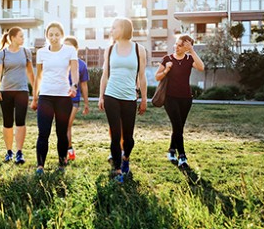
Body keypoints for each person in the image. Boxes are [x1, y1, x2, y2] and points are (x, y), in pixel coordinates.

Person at [99, 18, 148, 183]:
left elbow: (142, 76)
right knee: (115, 135)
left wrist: (144, 99)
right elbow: (105, 74)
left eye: (114, 27)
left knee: (128, 137)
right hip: (111, 95)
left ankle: (125, 157)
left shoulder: (138, 49)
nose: (111, 30)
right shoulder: (110, 49)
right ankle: (118, 170)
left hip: (129, 97)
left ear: (124, 29)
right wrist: (101, 96)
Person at [31, 22, 79, 175]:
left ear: (62, 35)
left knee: (61, 132)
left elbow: (75, 71)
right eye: (50, 34)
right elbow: (38, 77)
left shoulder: (70, 51)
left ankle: (62, 161)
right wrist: (34, 97)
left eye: (57, 34)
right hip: (45, 96)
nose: (54, 37)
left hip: (63, 97)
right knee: (43, 132)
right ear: (47, 36)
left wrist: (74, 86)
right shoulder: (41, 53)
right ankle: (40, 166)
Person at [156, 34, 205, 168]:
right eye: (176, 44)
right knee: (177, 126)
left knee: (179, 127)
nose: (176, 47)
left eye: (180, 45)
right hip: (170, 98)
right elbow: (157, 77)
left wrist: (192, 51)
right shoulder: (167, 59)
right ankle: (182, 156)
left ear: (186, 48)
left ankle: (172, 150)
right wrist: (167, 69)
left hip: (186, 99)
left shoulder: (189, 59)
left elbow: (201, 67)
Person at [0, 27, 35, 165]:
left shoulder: (26, 52)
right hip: (6, 91)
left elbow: (30, 73)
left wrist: (35, 90)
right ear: (12, 37)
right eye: (21, 36)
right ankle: (9, 152)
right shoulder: (3, 54)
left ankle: (19, 152)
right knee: (7, 122)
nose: (23, 39)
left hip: (22, 90)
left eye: (23, 36)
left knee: (20, 121)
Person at [63, 36, 89, 161]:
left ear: (76, 48)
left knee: (67, 124)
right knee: (62, 125)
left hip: (74, 100)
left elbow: (83, 85)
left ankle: (69, 150)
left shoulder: (82, 65)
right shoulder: (60, 62)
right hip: (59, 98)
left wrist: (86, 103)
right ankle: (66, 150)